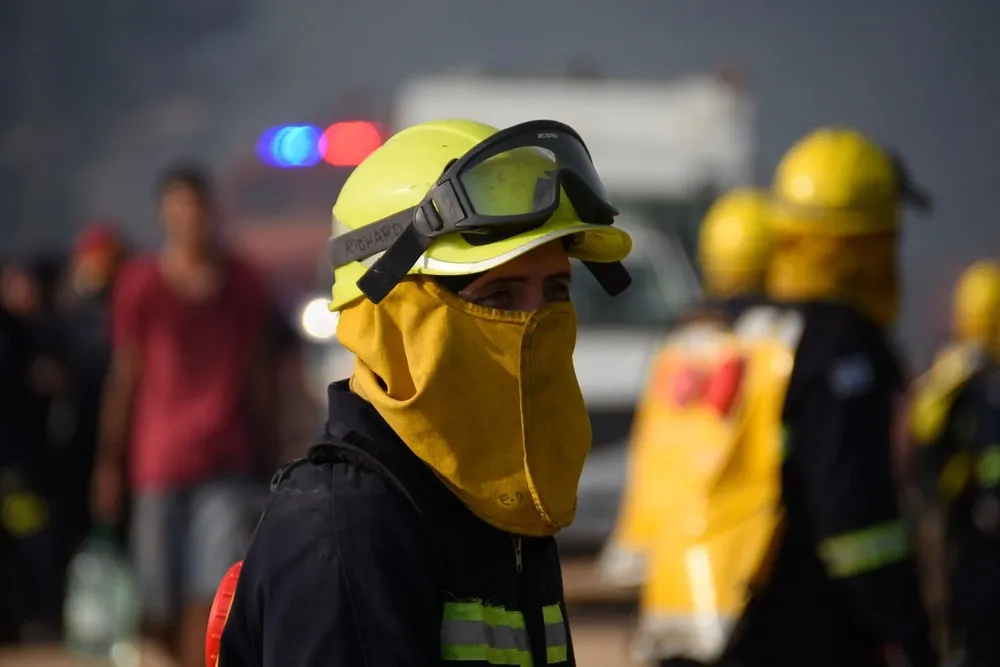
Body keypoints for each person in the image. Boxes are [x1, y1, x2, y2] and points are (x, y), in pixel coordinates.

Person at [216, 119, 633, 667]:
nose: (536, 323)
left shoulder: (503, 504)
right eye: (501, 294)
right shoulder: (345, 526)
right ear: (393, 315)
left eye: (556, 291)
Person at [721, 128, 937, 667]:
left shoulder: (754, 334)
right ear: (866, 246)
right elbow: (856, 521)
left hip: (739, 626)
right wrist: (910, 632)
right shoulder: (841, 352)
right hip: (814, 630)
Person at [91, 162, 274, 667]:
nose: (190, 220)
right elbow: (125, 377)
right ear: (164, 215)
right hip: (159, 460)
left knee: (212, 587)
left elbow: (257, 371)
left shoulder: (242, 283)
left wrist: (271, 445)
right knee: (158, 594)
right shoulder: (142, 284)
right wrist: (109, 461)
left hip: (225, 456)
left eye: (197, 208)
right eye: (179, 209)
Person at [599, 186, 773, 587]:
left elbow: (654, 456)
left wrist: (635, 543)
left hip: (673, 566)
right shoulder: (773, 352)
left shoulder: (677, 351)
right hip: (742, 566)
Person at [910, 260, 1000, 665]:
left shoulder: (946, 370)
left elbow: (920, 429)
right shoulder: (974, 378)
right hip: (974, 521)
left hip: (952, 517)